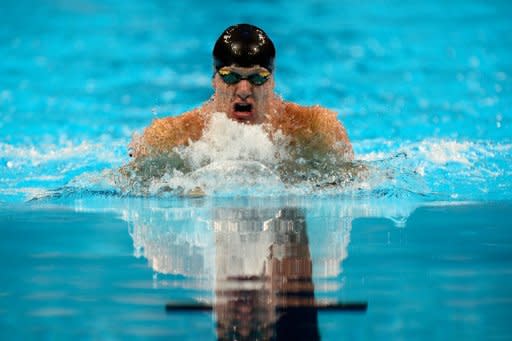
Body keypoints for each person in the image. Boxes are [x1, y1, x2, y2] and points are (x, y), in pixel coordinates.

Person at [128, 23, 353, 161]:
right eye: (231, 76)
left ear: (272, 82)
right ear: (214, 80)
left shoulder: (314, 130)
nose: (244, 90)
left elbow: (356, 178)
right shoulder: (173, 136)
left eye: (257, 77)